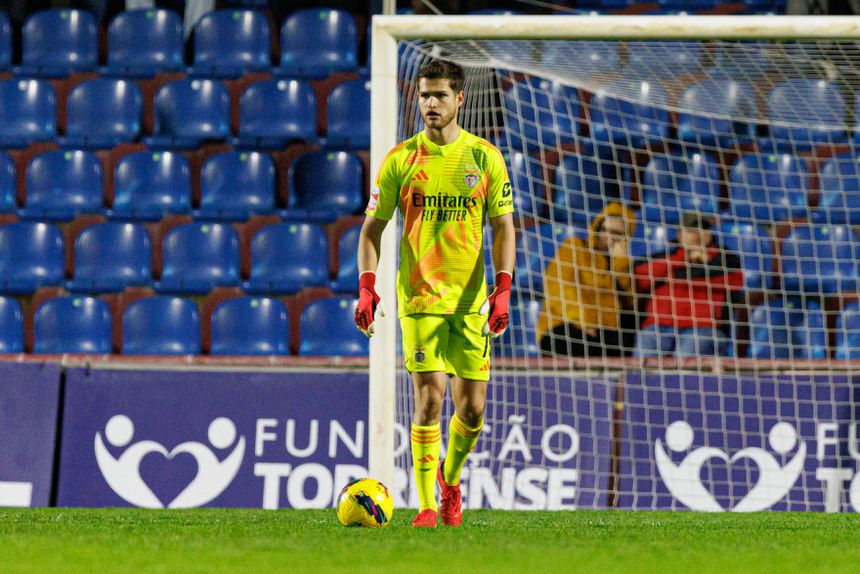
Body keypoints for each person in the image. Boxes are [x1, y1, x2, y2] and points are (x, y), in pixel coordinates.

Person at [354, 60, 516, 528]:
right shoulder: (401, 159)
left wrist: (502, 290)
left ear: (460, 99)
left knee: (474, 409)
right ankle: (426, 505)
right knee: (429, 400)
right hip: (420, 298)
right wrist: (368, 289)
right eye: (424, 95)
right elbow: (371, 231)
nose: (430, 104)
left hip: (471, 302)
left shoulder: (484, 157)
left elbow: (503, 227)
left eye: (440, 95)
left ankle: (449, 480)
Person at [633, 212, 744, 358]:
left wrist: (674, 276)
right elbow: (640, 278)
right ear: (679, 235)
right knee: (644, 354)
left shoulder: (726, 258)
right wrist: (684, 258)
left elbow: (735, 281)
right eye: (691, 230)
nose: (698, 234)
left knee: (686, 359)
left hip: (704, 327)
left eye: (704, 229)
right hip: (658, 326)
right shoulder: (662, 257)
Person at [538, 202, 637, 357]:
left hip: (605, 331)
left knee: (627, 344)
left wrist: (621, 264)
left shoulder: (621, 263)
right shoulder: (574, 246)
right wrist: (584, 321)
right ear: (597, 228)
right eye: (605, 230)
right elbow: (559, 287)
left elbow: (629, 302)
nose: (608, 237)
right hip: (566, 323)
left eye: (617, 234)